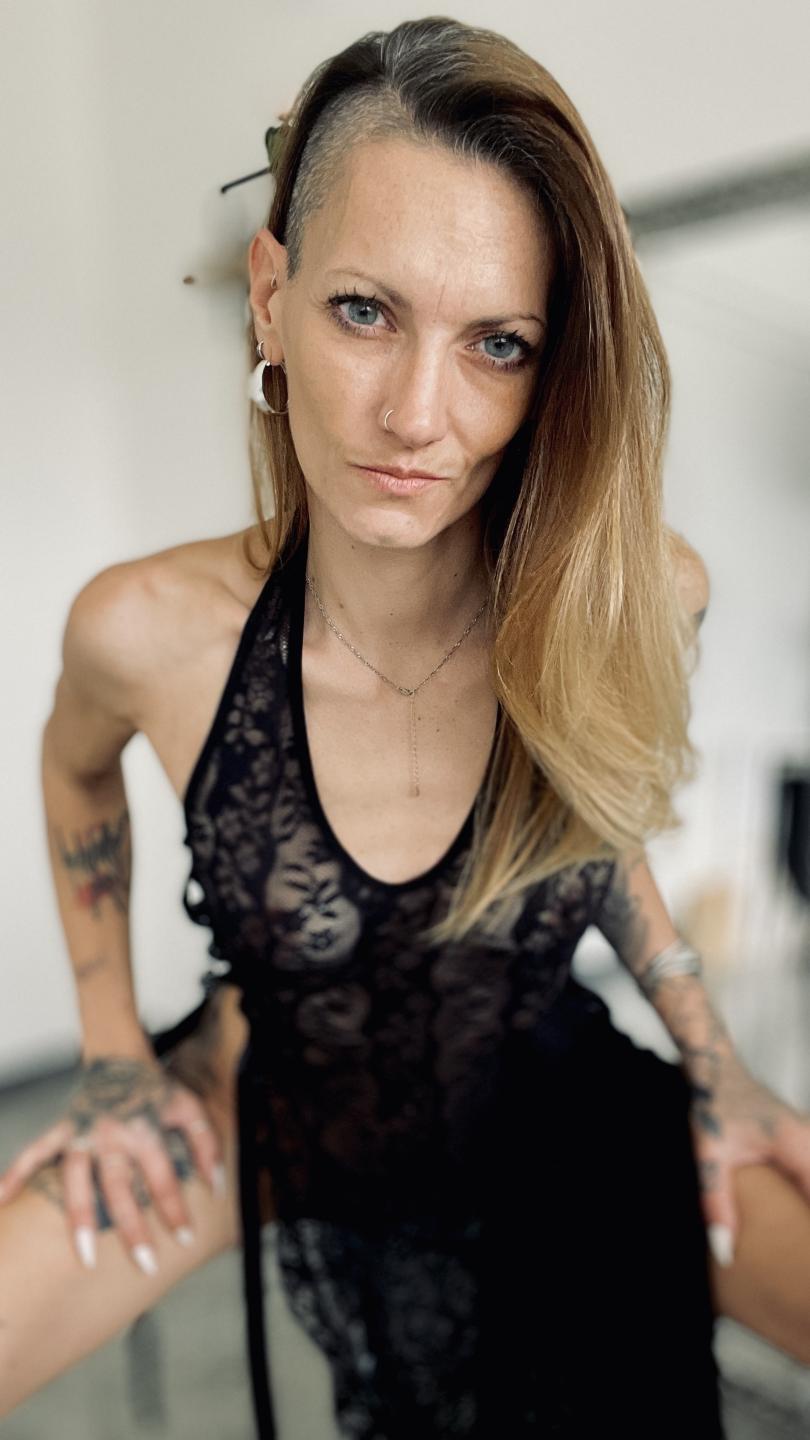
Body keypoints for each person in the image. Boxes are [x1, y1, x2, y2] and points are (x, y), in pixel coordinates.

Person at [1, 15, 809, 1439]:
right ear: (271, 296)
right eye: (364, 312)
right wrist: (114, 1048)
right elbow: (74, 775)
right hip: (265, 1104)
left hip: (547, 1095)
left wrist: (714, 1056)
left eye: (497, 343)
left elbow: (595, 833)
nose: (417, 415)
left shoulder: (637, 597)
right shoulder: (145, 629)